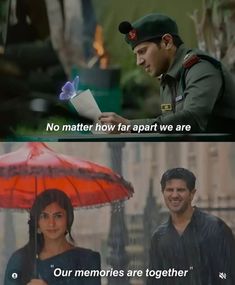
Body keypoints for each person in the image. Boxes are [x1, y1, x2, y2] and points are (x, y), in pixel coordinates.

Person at [99, 13, 235, 133]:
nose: (138, 62)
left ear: (167, 42)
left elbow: (191, 121)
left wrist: (130, 126)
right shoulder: (168, 78)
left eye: (142, 51)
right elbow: (168, 125)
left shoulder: (200, 68)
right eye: (136, 54)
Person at [147, 167, 235, 285]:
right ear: (163, 193)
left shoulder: (216, 229)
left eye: (181, 190)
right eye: (169, 190)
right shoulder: (158, 237)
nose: (174, 195)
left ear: (192, 194)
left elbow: (228, 277)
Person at [4, 189, 101, 285]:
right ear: (37, 223)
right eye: (44, 216)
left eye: (58, 216)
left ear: (69, 219)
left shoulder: (87, 259)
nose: (51, 223)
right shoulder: (20, 259)